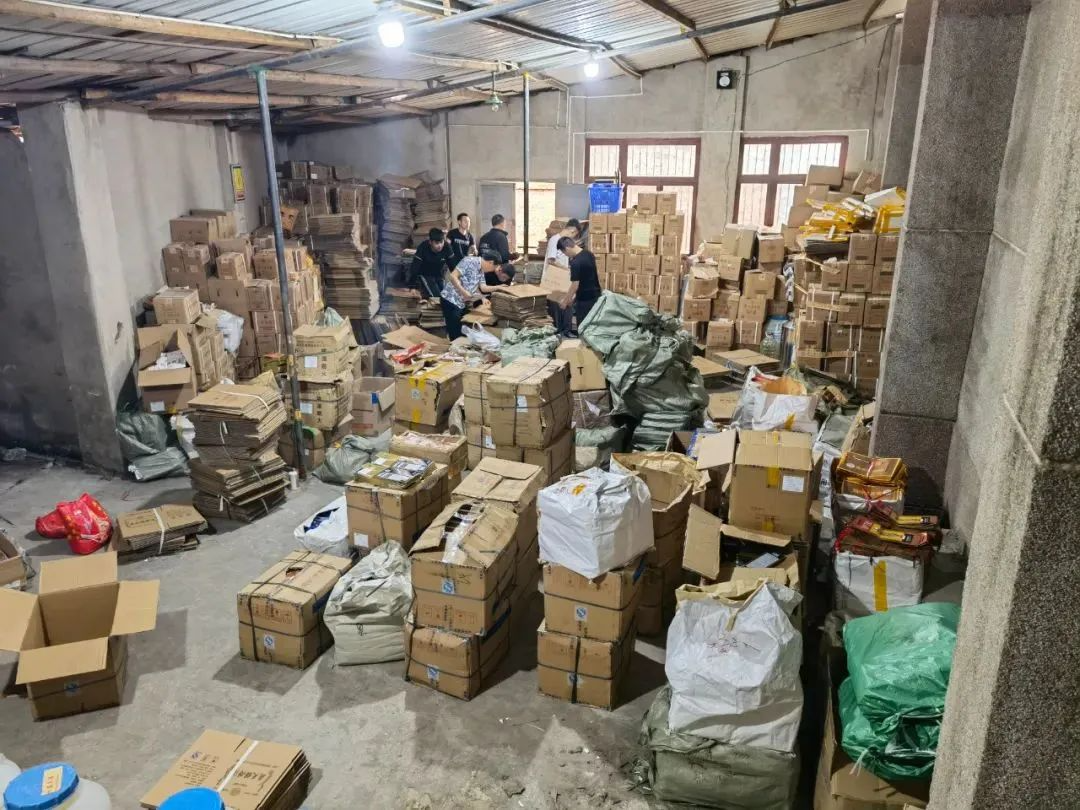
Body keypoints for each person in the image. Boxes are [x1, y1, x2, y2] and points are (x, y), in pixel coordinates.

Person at [441, 251, 504, 340]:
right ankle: (453, 345)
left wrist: (497, 288)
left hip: (461, 302)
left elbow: (483, 287)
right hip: (450, 299)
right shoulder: (469, 261)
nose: (493, 270)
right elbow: (453, 276)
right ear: (490, 262)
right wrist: (463, 292)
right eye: (494, 267)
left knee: (462, 329)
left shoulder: (481, 269)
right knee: (455, 333)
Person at [544, 218, 581, 335]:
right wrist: (567, 269)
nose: (573, 238)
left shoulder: (564, 242)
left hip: (563, 277)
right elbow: (551, 260)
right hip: (554, 278)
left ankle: (566, 330)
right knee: (555, 306)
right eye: (574, 235)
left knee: (567, 303)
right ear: (573, 231)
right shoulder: (554, 240)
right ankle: (558, 331)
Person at [558, 236, 602, 332]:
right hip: (596, 296)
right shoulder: (589, 254)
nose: (566, 255)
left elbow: (575, 285)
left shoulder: (575, 262)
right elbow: (588, 278)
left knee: (583, 328)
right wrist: (573, 299)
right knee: (593, 328)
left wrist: (565, 301)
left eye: (564, 253)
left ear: (567, 248)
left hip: (584, 301)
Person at [409, 228, 455, 298]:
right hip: (425, 274)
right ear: (430, 242)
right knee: (437, 296)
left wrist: (459, 284)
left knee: (445, 296)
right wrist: (412, 287)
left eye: (441, 242)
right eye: (437, 243)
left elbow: (453, 266)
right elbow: (415, 267)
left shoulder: (447, 247)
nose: (440, 245)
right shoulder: (423, 247)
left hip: (439, 274)